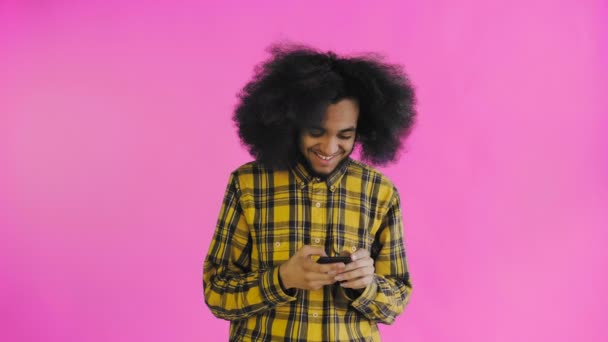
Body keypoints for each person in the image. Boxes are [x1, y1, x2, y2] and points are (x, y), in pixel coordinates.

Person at [203, 42, 416, 341]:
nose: (329, 148)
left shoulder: (379, 192)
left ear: (363, 130)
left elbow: (396, 301)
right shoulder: (249, 184)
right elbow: (217, 292)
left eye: (345, 135)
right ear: (292, 124)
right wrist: (282, 279)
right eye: (317, 132)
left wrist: (366, 285)